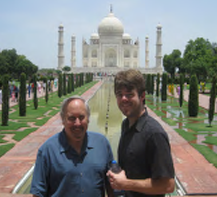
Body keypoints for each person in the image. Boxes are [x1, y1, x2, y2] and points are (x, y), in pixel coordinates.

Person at [107, 69, 175, 197]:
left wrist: (125, 184)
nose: (123, 99)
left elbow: (167, 185)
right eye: (119, 94)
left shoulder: (154, 134)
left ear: (142, 95)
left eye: (129, 94)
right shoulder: (126, 125)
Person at [31, 95, 115, 197]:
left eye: (81, 117)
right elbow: (38, 193)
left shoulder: (102, 144)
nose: (77, 123)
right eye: (71, 118)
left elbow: (112, 187)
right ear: (63, 120)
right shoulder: (48, 150)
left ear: (88, 118)